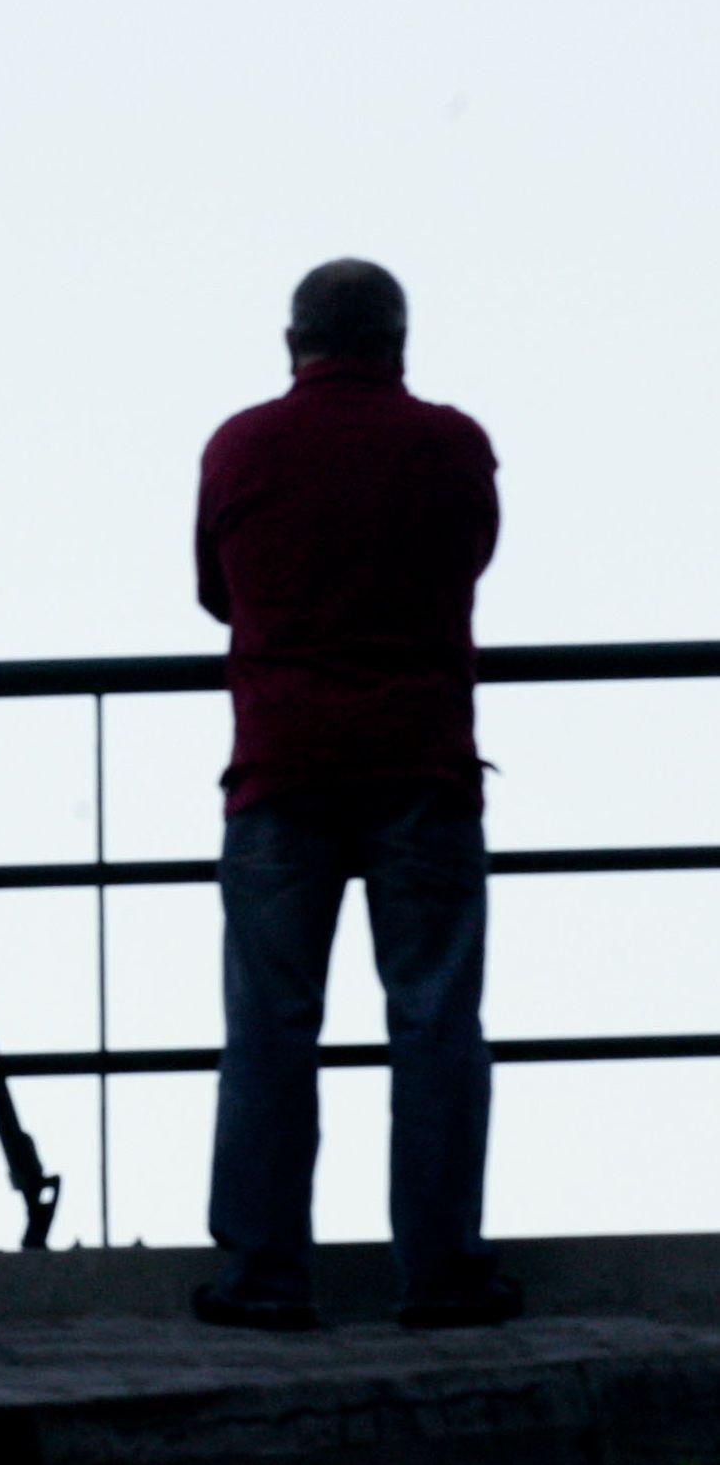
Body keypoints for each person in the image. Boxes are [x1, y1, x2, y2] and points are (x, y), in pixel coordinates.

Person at [193, 258, 511, 1333]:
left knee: (269, 1031)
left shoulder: (241, 446)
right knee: (436, 1024)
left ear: (295, 344)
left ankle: (264, 1277)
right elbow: (468, 561)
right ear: (398, 343)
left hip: (280, 770)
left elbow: (215, 594)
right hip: (423, 764)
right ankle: (443, 1275)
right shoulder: (452, 445)